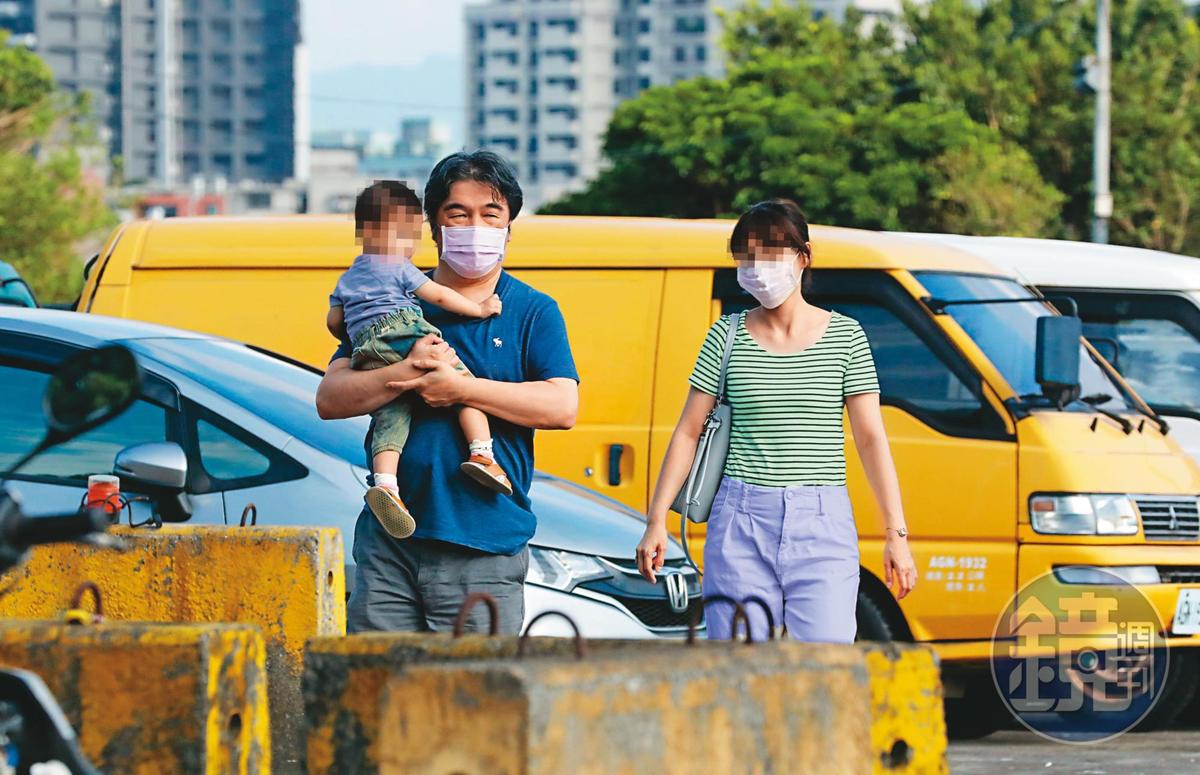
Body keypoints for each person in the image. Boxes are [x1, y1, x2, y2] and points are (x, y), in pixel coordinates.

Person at [316, 151, 579, 635]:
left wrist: (460, 389)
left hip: (481, 547)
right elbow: (330, 399)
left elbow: (562, 407)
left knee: (471, 704)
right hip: (388, 547)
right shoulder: (386, 297)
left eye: (490, 214)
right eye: (458, 214)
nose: (474, 226)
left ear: (508, 228)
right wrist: (411, 371)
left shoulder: (532, 311)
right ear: (432, 228)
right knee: (377, 695)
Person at [635, 199, 917, 642]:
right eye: (746, 256)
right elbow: (689, 431)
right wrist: (656, 521)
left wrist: (895, 533)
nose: (756, 267)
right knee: (741, 670)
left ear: (802, 258)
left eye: (769, 252)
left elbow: (871, 439)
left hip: (821, 521)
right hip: (739, 519)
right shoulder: (725, 336)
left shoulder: (846, 336)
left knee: (825, 669)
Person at [327, 180, 512, 541]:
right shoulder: (397, 267)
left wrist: (357, 336)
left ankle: (386, 485)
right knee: (463, 385)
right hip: (401, 330)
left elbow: (334, 322)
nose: (409, 246)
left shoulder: (348, 277)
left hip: (365, 346)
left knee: (392, 416)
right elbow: (439, 296)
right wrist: (479, 308)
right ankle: (482, 453)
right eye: (406, 236)